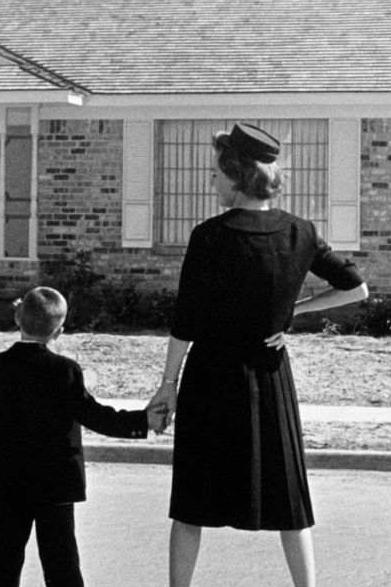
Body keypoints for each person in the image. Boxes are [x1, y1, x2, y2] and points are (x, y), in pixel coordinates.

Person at [148, 123, 368, 587]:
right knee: (289, 501)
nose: (212, 183)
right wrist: (294, 311)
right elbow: (356, 288)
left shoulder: (209, 236)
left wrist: (167, 385)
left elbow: (185, 323)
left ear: (236, 174)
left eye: (215, 175)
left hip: (210, 378)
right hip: (270, 376)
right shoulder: (301, 232)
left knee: (192, 503)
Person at [0, 286, 167, 587]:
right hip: (56, 483)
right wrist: (143, 421)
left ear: (17, 319)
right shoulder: (65, 371)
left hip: (8, 480)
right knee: (61, 560)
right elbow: (96, 416)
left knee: (4, 556)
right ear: (59, 332)